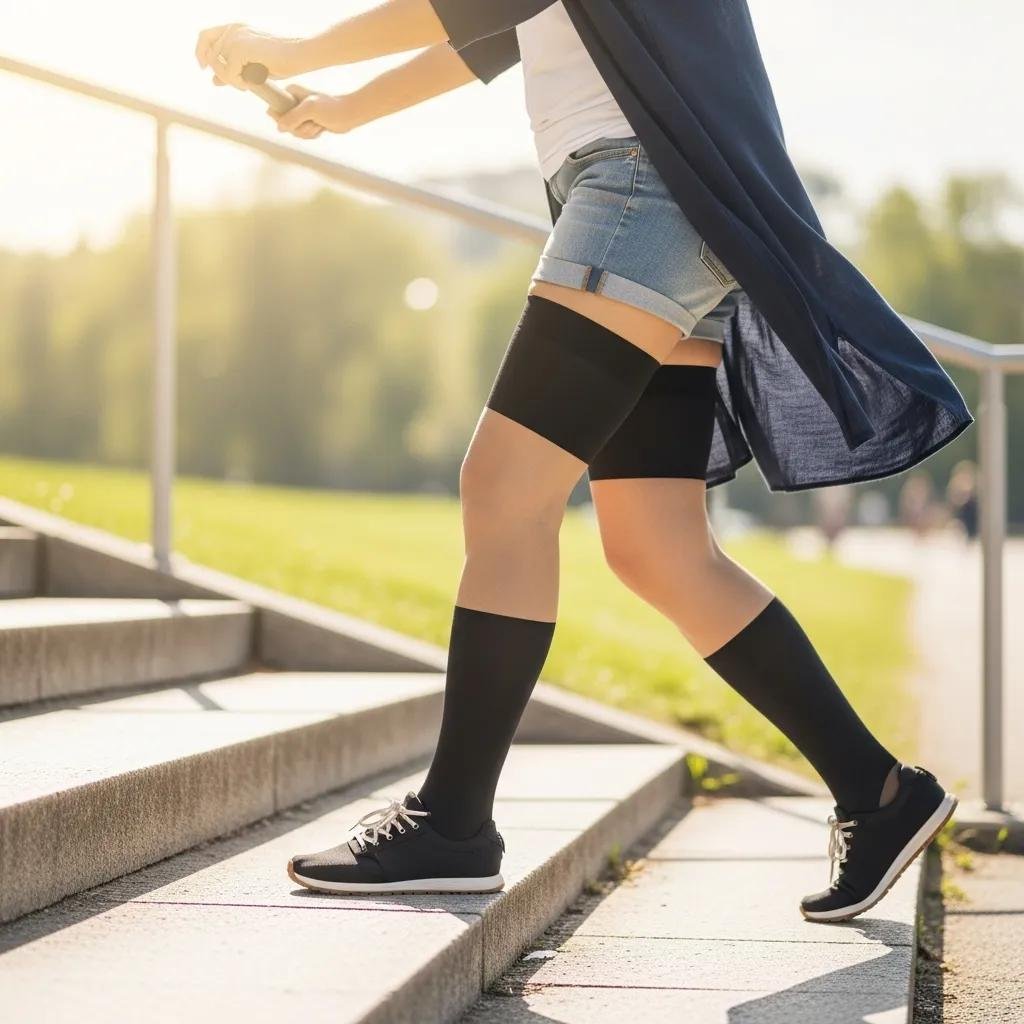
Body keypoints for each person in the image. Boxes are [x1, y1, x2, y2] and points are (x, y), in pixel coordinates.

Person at [196, 0, 966, 923]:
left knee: (505, 488)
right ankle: (879, 793)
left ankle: (452, 823)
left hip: (642, 189)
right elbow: (498, 28)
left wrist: (292, 45)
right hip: (667, 193)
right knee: (657, 546)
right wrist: (350, 104)